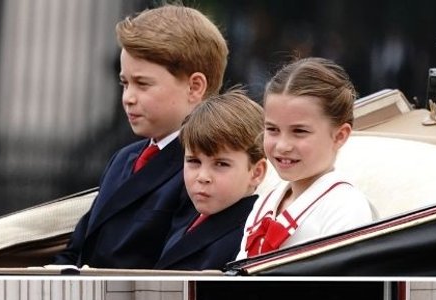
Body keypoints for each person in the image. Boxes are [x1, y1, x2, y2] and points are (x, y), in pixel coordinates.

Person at [52, 5, 226, 268]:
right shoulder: (124, 159)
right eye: (125, 83)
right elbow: (78, 248)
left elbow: (172, 268)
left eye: (143, 84)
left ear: (194, 87)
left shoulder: (204, 170)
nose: (128, 98)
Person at [236, 57, 376, 260]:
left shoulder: (346, 209)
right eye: (272, 129)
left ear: (339, 135)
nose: (282, 146)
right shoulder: (265, 202)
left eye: (299, 131)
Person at [155, 90, 266, 270]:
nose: (203, 177)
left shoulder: (248, 236)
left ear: (256, 172)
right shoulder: (188, 213)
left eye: (221, 164)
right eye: (193, 161)